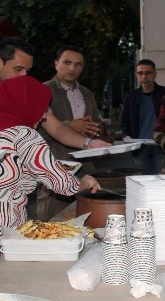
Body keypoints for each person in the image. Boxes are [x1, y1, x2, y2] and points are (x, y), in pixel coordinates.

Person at [0, 75, 100, 289]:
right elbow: (63, 184)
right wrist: (85, 181)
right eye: (41, 107)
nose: (43, 114)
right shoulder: (25, 135)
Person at [0, 37, 108, 210]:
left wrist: (88, 143)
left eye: (27, 70)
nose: (24, 75)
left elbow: (56, 127)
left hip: (8, 198)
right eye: (18, 69)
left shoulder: (24, 96)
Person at [40, 45, 103, 220]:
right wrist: (70, 125)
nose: (72, 68)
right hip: (56, 166)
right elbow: (33, 129)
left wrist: (94, 130)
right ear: (56, 64)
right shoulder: (42, 91)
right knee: (55, 222)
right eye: (67, 62)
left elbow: (96, 126)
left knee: (86, 219)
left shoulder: (86, 93)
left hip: (86, 165)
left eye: (78, 64)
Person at [120, 59, 165, 174]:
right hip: (140, 148)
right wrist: (127, 137)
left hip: (162, 147)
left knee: (163, 180)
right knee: (143, 181)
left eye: (148, 73)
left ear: (155, 74)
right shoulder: (131, 97)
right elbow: (125, 123)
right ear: (136, 75)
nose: (144, 76)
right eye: (140, 73)